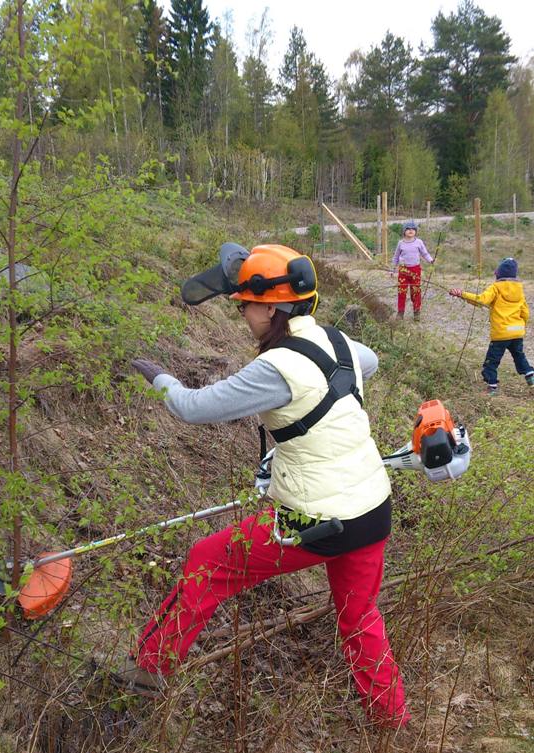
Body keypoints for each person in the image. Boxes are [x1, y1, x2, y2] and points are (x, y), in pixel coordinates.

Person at [126, 243, 410, 728]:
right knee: (359, 617)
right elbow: (371, 361)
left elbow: (193, 409)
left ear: (271, 306)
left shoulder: (276, 367)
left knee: (207, 560)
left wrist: (163, 380)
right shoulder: (340, 343)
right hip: (373, 509)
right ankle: (391, 720)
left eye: (245, 306)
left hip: (319, 521)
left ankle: (147, 672)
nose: (243, 316)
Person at [449, 257, 533, 395]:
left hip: (501, 333)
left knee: (491, 362)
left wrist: (462, 294)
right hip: (517, 331)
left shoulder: (495, 288)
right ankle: (530, 373)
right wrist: (521, 326)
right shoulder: (520, 289)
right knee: (519, 356)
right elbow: (525, 313)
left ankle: (492, 387)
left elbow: (481, 300)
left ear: (498, 274)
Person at [390, 220, 434, 321]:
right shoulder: (400, 243)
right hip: (403, 270)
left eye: (413, 229)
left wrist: (431, 260)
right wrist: (392, 270)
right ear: (404, 231)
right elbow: (396, 257)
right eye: (408, 229)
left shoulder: (419, 242)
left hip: (415, 270)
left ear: (415, 231)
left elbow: (425, 253)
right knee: (402, 291)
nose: (410, 231)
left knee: (416, 291)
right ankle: (400, 313)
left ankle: (416, 312)